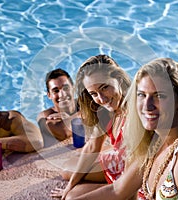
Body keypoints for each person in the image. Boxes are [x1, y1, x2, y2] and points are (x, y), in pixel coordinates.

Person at [67, 58, 178, 200]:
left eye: (159, 96)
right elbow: (118, 191)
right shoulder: (152, 144)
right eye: (142, 95)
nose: (147, 106)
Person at [51, 54, 131, 199]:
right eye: (94, 93)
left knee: (72, 198)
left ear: (118, 78)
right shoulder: (105, 112)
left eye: (105, 87)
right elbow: (92, 148)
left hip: (132, 175)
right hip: (120, 161)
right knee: (67, 170)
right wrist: (69, 187)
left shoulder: (135, 111)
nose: (101, 99)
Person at [37, 68, 79, 147]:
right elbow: (64, 132)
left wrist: (69, 118)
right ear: (49, 95)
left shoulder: (85, 103)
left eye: (66, 88)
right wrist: (86, 114)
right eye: (56, 91)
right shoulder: (45, 116)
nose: (62, 94)